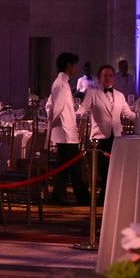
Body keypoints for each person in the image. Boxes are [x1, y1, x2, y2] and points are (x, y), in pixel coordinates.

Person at [82, 64, 133, 185]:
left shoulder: (120, 95)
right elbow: (84, 108)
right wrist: (75, 115)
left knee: (115, 168)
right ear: (99, 78)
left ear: (114, 78)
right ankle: (102, 197)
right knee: (103, 169)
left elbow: (128, 113)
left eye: (110, 75)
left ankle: (111, 195)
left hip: (117, 137)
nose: (108, 78)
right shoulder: (92, 93)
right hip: (99, 137)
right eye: (105, 75)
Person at [46, 53, 86, 205]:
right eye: (75, 65)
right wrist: (52, 121)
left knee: (63, 167)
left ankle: (59, 195)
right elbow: (56, 108)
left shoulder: (61, 82)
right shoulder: (61, 84)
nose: (76, 68)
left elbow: (51, 105)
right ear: (69, 65)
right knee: (74, 166)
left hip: (64, 131)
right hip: (65, 131)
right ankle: (82, 197)